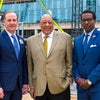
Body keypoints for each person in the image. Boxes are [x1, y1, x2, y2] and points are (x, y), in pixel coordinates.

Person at [27, 14, 72, 100]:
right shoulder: (30, 41)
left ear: (53, 24)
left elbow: (69, 62)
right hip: (39, 87)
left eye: (49, 22)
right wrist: (31, 86)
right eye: (44, 22)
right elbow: (30, 65)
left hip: (60, 86)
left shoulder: (65, 38)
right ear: (40, 24)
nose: (47, 25)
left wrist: (67, 80)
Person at [0, 11, 28, 100]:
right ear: (4, 22)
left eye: (14, 20)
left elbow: (23, 63)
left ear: (17, 22)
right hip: (3, 87)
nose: (12, 23)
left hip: (18, 86)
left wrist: (25, 82)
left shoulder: (21, 40)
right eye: (9, 20)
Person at [72, 10, 100, 100]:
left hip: (97, 88)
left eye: (89, 19)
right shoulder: (77, 41)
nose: (86, 22)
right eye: (84, 20)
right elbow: (74, 62)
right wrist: (78, 78)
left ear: (95, 21)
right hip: (81, 89)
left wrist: (90, 80)